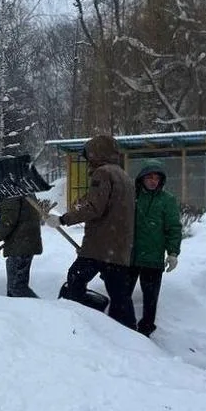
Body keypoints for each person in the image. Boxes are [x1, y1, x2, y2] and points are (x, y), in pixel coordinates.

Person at [46, 134, 137, 329]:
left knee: (75, 280)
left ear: (96, 153)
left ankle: (81, 323)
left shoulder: (102, 173)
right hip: (118, 247)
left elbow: (95, 208)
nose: (87, 159)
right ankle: (128, 332)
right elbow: (109, 205)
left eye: (88, 155)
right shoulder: (124, 175)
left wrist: (63, 219)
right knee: (120, 295)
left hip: (100, 247)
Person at [131, 161, 183, 336]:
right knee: (122, 296)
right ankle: (123, 329)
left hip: (153, 258)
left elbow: (173, 228)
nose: (153, 181)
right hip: (130, 256)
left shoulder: (167, 200)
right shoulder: (132, 197)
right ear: (142, 178)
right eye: (149, 177)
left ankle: (145, 331)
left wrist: (173, 252)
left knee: (150, 299)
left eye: (157, 178)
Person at [0, 189, 44, 298]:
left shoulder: (11, 191)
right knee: (15, 289)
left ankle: (40, 307)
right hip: (24, 242)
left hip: (20, 244)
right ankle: (15, 308)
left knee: (17, 288)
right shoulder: (22, 188)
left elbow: (8, 220)